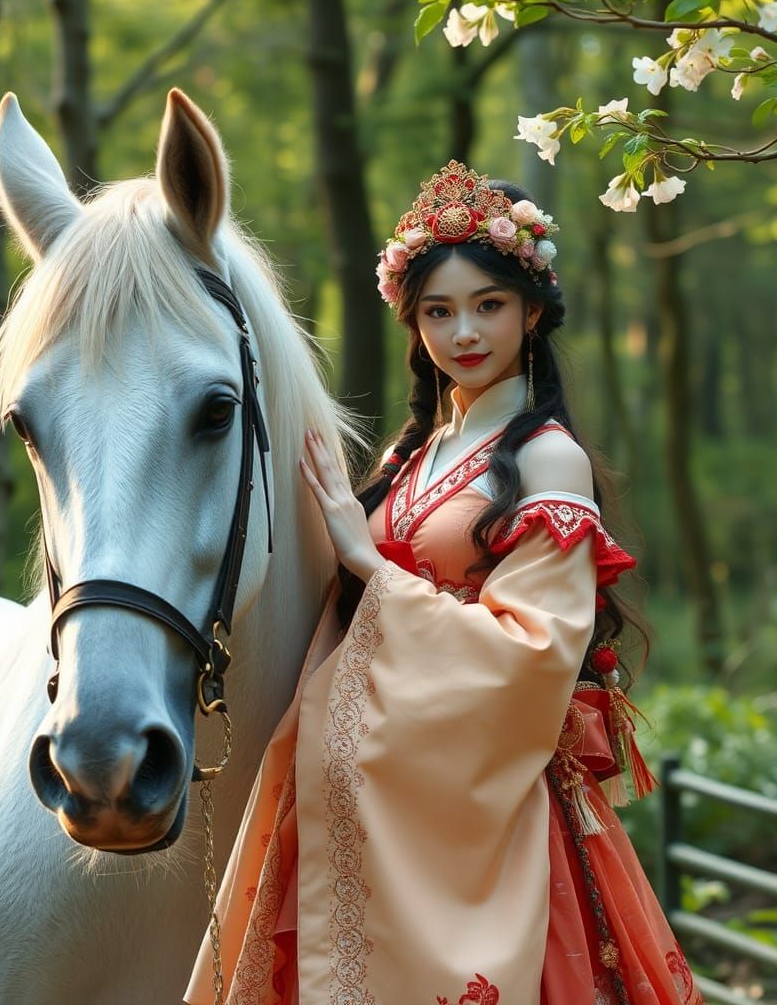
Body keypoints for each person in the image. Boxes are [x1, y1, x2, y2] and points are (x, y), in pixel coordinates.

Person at [185, 161, 702, 1005]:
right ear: (413, 322)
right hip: (379, 791)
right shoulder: (414, 454)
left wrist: (366, 561)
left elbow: (532, 656)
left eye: (488, 305)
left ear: (531, 312)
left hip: (482, 808)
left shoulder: (546, 458)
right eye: (438, 311)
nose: (465, 332)